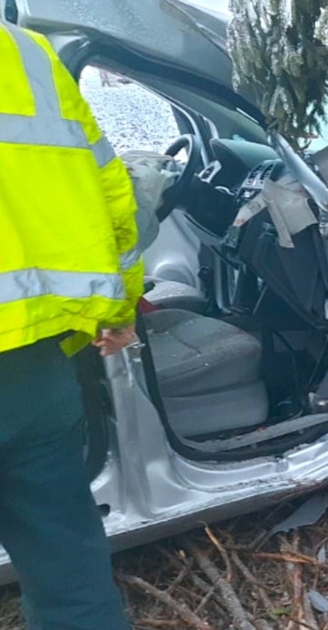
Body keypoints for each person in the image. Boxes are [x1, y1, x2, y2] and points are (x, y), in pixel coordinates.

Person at [0, 20, 142, 630]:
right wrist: (118, 312)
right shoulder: (26, 52)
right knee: (68, 573)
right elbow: (111, 191)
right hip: (33, 373)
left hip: (36, 368)